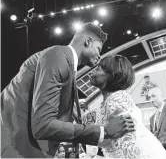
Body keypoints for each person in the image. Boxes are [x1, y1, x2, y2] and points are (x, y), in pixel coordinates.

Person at [1, 22, 135, 158]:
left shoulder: (63, 62)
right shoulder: (58, 56)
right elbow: (43, 126)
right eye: (98, 49)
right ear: (88, 42)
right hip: (12, 146)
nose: (99, 56)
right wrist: (104, 131)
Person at [83, 55, 166, 158]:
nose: (92, 72)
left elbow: (128, 142)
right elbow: (110, 142)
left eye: (98, 69)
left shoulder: (117, 99)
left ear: (110, 75)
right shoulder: (109, 102)